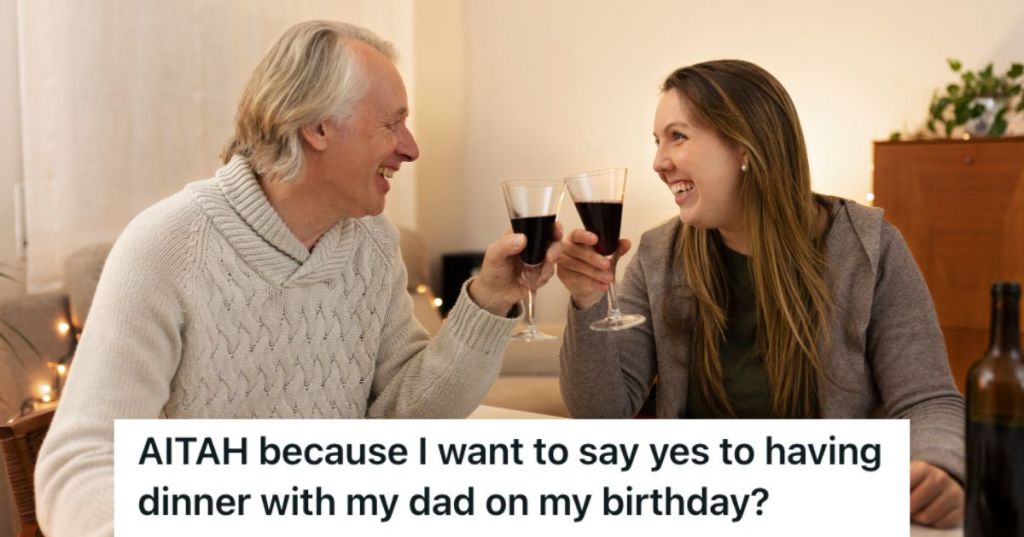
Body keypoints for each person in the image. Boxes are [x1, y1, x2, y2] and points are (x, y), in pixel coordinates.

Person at [34, 20, 558, 537]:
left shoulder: (372, 242)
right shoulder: (167, 246)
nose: (410, 147)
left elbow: (406, 418)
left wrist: (490, 299)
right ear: (318, 127)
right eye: (391, 124)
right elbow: (84, 461)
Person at [556, 60, 964, 529]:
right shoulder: (658, 254)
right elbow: (601, 414)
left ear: (745, 146)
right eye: (657, 141)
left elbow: (929, 399)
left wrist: (940, 465)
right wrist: (587, 301)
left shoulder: (869, 247)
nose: (659, 162)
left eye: (678, 136)